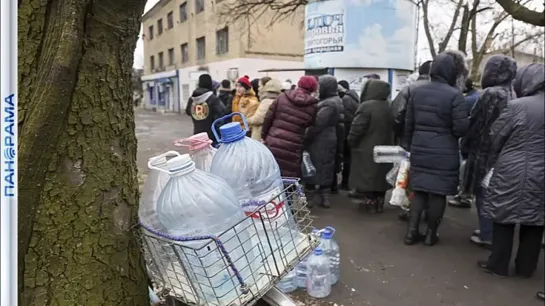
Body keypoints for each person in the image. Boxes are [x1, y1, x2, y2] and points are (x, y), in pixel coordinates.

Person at [477, 63, 544, 278]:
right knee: (535, 220)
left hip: (511, 170)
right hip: (542, 174)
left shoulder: (518, 106)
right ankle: (526, 268)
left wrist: (492, 161)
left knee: (503, 216)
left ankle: (498, 265)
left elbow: (496, 135)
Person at [402, 50, 469, 246]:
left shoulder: (417, 92)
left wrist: (408, 146)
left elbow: (408, 123)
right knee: (438, 194)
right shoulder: (455, 96)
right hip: (444, 152)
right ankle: (431, 235)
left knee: (420, 191)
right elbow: (460, 129)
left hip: (420, 149)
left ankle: (411, 233)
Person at [456, 55, 517, 248]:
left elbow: (476, 122)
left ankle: (487, 234)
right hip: (503, 152)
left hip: (485, 151)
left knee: (484, 194)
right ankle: (489, 230)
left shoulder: (491, 93)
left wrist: (464, 144)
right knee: (495, 193)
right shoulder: (512, 93)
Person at [347, 79, 394, 213]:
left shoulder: (366, 106)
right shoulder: (390, 105)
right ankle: (379, 203)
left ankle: (370, 203)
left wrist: (351, 141)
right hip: (387, 149)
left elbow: (357, 128)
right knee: (381, 177)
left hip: (367, 148)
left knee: (368, 177)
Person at [261, 76, 319, 177]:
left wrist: (263, 136)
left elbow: (268, 118)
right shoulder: (313, 106)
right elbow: (311, 127)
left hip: (273, 141)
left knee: (269, 173)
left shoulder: (282, 97)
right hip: (294, 146)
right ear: (313, 89)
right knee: (288, 177)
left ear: (299, 84)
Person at [304, 75, 343, 208]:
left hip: (320, 139)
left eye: (320, 85)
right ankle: (324, 197)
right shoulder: (333, 100)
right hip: (329, 137)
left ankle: (310, 197)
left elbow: (317, 124)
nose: (318, 88)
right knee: (326, 166)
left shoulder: (329, 104)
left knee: (313, 166)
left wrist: (306, 136)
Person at [391, 61, 432, 145]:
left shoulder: (408, 89)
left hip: (409, 140)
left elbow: (396, 115)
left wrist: (400, 134)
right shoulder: (445, 90)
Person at [185, 74, 227, 146]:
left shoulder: (192, 99)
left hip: (197, 134)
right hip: (211, 136)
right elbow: (222, 112)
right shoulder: (212, 98)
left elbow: (188, 111)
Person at [337, 80, 359, 190]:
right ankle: (348, 182)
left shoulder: (346, 99)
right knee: (349, 158)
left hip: (347, 133)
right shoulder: (354, 97)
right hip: (351, 132)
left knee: (346, 159)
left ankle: (345, 183)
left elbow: (345, 118)